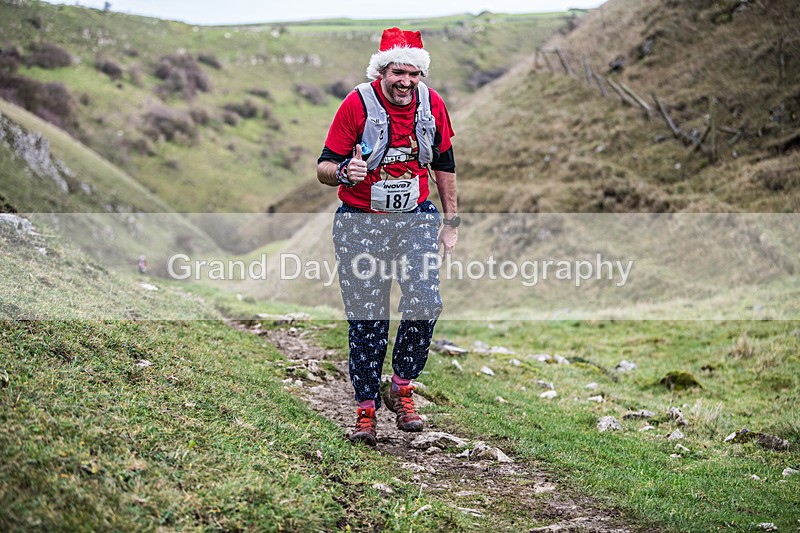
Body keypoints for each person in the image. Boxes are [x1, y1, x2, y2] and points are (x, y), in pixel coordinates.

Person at [317, 27, 459, 446]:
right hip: (361, 221)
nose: (406, 82)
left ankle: (401, 386)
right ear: (382, 70)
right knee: (368, 316)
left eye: (415, 75)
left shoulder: (431, 104)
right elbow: (324, 166)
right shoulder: (356, 104)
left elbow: (445, 163)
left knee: (425, 300)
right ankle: (365, 409)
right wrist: (344, 172)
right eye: (399, 72)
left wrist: (451, 223)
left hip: (414, 218)